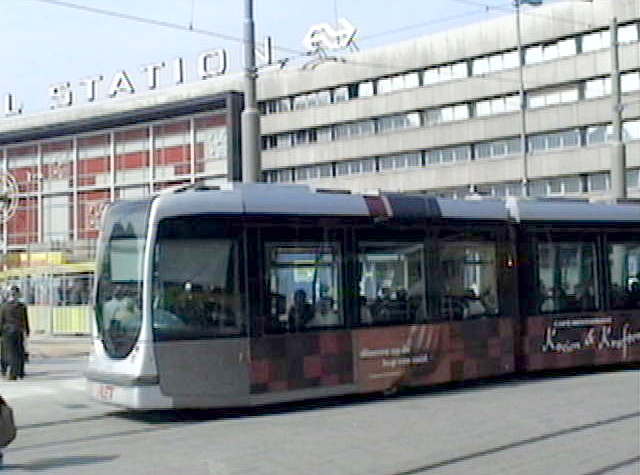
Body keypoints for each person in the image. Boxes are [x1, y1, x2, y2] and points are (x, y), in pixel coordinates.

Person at [0, 286, 29, 380]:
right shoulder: (22, 306)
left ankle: (12, 373)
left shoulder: (4, 306)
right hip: (19, 330)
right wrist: (27, 330)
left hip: (7, 331)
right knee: (19, 351)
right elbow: (25, 320)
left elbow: (1, 320)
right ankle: (20, 371)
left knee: (10, 352)